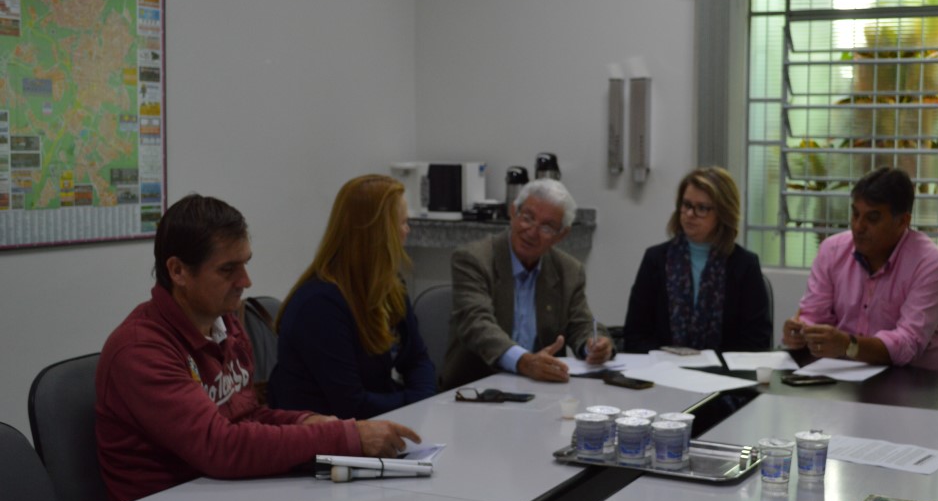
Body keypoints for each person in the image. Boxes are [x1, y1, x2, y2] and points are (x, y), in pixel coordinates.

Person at [95, 194, 420, 501]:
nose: (246, 281)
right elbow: (220, 446)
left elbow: (246, 416)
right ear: (178, 271)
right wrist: (344, 437)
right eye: (227, 269)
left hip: (221, 498)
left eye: (246, 264)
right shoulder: (142, 350)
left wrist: (306, 421)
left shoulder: (226, 324)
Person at [269, 174, 436, 418]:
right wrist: (414, 403)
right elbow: (350, 405)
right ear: (379, 234)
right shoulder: (319, 305)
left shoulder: (390, 287)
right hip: (324, 440)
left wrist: (422, 400)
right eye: (401, 223)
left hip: (372, 424)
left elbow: (417, 359)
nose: (406, 231)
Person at [439, 179, 613, 390]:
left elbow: (581, 324)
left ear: (561, 234)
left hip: (541, 392)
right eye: (528, 217)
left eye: (547, 227)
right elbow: (477, 325)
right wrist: (524, 362)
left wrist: (594, 345)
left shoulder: (568, 271)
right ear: (513, 212)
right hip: (474, 392)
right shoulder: (473, 259)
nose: (532, 231)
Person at [782, 166, 938, 371]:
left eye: (872, 218)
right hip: (844, 375)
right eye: (855, 215)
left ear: (903, 222)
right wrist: (801, 332)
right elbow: (815, 315)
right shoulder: (833, 250)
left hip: (914, 380)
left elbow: (908, 344)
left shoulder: (931, 263)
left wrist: (848, 345)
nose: (858, 226)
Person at [623, 167, 770, 353]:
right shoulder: (656, 260)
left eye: (702, 208)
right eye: (686, 205)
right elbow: (635, 336)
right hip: (663, 372)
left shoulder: (744, 265)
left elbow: (756, 342)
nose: (690, 214)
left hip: (724, 377)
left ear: (723, 213)